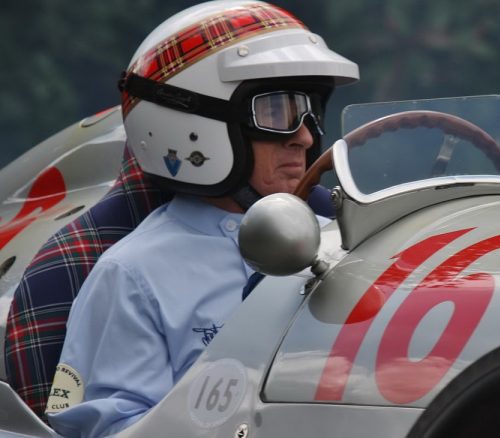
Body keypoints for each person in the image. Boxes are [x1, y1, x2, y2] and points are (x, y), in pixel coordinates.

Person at [43, 1, 359, 436]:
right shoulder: (133, 275)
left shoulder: (346, 241)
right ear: (195, 127)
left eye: (309, 112)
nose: (305, 136)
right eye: (277, 111)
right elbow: (113, 428)